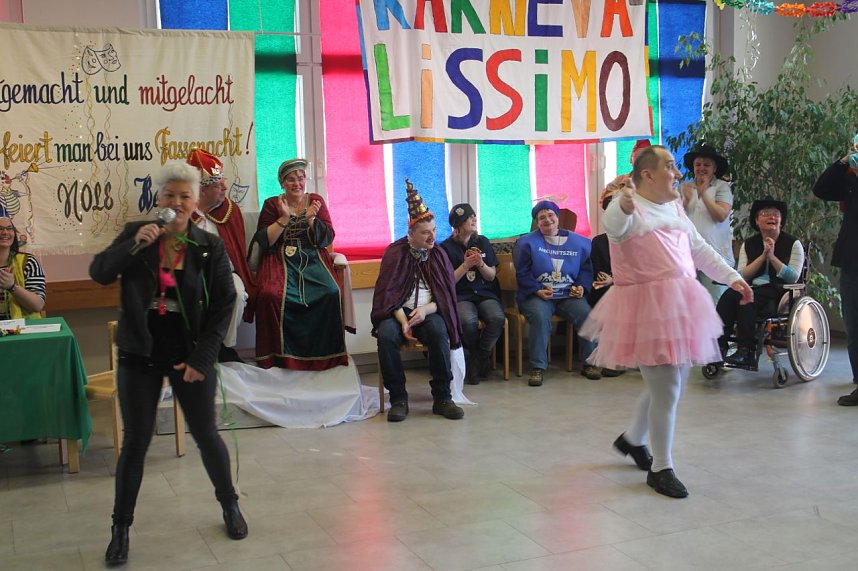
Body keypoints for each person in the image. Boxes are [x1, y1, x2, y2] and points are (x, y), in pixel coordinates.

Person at [89, 163, 247, 566]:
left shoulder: (209, 246)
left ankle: (229, 504)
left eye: (185, 196)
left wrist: (202, 358)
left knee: (206, 435)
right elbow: (100, 273)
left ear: (196, 204)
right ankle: (120, 528)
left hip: (189, 356)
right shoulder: (135, 235)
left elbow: (224, 305)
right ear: (158, 199)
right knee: (136, 442)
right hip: (139, 355)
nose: (176, 203)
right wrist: (134, 245)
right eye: (169, 195)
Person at [581, 145, 752, 498]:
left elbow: (699, 248)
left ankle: (632, 440)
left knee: (666, 385)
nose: (678, 174)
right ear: (648, 175)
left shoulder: (674, 206)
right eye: (671, 167)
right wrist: (622, 205)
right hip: (646, 309)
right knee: (667, 387)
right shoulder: (626, 205)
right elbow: (614, 224)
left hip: (680, 305)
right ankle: (661, 468)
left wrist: (732, 276)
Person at [371, 179, 465, 422]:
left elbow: (445, 296)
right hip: (397, 312)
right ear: (410, 232)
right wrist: (403, 319)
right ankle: (399, 398)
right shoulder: (395, 253)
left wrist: (425, 310)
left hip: (428, 312)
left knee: (438, 331)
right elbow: (387, 294)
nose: (432, 236)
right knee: (386, 335)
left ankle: (443, 398)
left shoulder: (439, 254)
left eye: (433, 230)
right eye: (425, 232)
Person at [248, 158, 348, 370]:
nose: (297, 183)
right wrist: (284, 218)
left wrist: (312, 220)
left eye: (301, 178)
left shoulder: (316, 201)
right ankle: (277, 358)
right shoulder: (271, 204)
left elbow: (327, 238)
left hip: (312, 256)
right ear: (282, 183)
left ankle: (325, 356)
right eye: (291, 179)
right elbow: (265, 242)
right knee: (269, 294)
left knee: (330, 292)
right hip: (278, 257)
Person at [514, 200, 599, 386]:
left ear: (557, 217)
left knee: (587, 315)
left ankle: (590, 363)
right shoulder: (526, 243)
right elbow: (522, 273)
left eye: (550, 215)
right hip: (538, 295)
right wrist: (537, 290)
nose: (547, 220)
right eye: (541, 217)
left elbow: (586, 270)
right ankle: (538, 367)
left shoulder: (580, 243)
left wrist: (581, 287)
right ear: (536, 222)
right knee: (539, 316)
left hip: (568, 295)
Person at [716, 197, 804, 367]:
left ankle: (746, 351)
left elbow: (793, 277)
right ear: (756, 220)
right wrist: (763, 256)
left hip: (779, 289)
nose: (771, 217)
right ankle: (719, 347)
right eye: (765, 214)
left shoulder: (793, 243)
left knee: (748, 299)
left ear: (781, 220)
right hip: (754, 286)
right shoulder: (749, 244)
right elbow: (742, 274)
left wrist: (772, 257)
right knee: (728, 296)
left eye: (775, 214)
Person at [186, 149, 254, 361]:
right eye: (218, 185)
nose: (225, 187)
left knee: (236, 293)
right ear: (202, 190)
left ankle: (223, 347)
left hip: (224, 271)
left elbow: (237, 251)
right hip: (190, 275)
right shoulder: (179, 210)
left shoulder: (229, 210)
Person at [439, 203, 505, 384]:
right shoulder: (445, 248)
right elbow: (448, 282)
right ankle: (476, 357)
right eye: (469, 217)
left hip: (484, 293)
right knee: (467, 322)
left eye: (474, 216)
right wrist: (466, 265)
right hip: (462, 295)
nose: (474, 219)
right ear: (458, 225)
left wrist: (481, 264)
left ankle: (479, 356)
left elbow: (491, 276)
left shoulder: (482, 242)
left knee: (497, 318)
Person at [813, 146, 858, 404]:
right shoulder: (849, 177)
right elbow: (821, 189)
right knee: (854, 322)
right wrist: (843, 162)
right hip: (853, 258)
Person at [681, 143, 735, 303]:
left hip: (715, 256)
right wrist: (686, 201)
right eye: (698, 164)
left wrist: (704, 194)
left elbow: (721, 215)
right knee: (689, 306)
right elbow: (674, 219)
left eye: (706, 165)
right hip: (688, 256)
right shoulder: (685, 187)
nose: (701, 168)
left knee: (715, 307)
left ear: (714, 168)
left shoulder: (722, 187)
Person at [0, 204, 45, 320]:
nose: (5, 232)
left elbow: (38, 305)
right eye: (0, 228)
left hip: (23, 332)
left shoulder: (28, 262)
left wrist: (12, 286)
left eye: (9, 228)